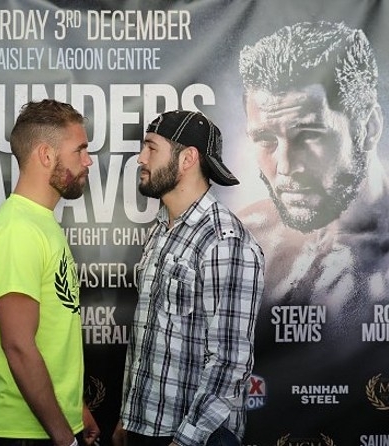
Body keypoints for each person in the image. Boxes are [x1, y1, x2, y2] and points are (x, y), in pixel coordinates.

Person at [237, 21, 389, 441]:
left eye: (309, 134)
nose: (285, 166)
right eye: (266, 139)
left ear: (368, 128)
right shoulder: (248, 237)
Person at [113, 110, 265, 446]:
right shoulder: (161, 230)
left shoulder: (224, 240)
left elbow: (229, 361)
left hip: (197, 437)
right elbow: (148, 338)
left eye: (152, 148)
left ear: (187, 159)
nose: (141, 158)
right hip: (147, 427)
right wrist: (129, 417)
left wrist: (186, 441)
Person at [0, 99, 100, 446]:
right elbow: (18, 345)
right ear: (46, 155)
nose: (88, 161)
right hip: (26, 434)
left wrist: (75, 410)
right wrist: (64, 438)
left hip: (49, 425)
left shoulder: (38, 222)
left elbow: (51, 336)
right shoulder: (18, 230)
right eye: (80, 150)